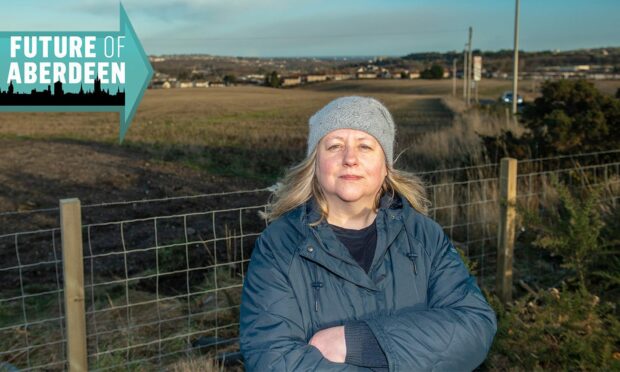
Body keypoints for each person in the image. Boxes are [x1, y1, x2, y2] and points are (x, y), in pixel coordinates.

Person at [240, 96, 497, 371]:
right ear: (314, 164)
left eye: (365, 146)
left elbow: (474, 325)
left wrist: (360, 342)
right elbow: (272, 358)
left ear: (385, 165)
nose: (350, 159)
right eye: (335, 146)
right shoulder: (279, 245)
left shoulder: (424, 236)